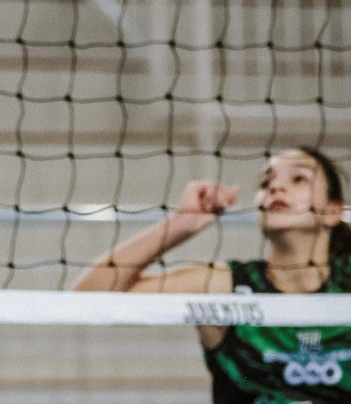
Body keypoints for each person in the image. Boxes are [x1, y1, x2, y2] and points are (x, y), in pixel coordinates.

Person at [74, 146, 351, 401]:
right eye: (267, 182)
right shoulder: (227, 286)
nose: (276, 187)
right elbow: (87, 299)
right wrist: (181, 224)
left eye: (299, 178)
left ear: (332, 211)